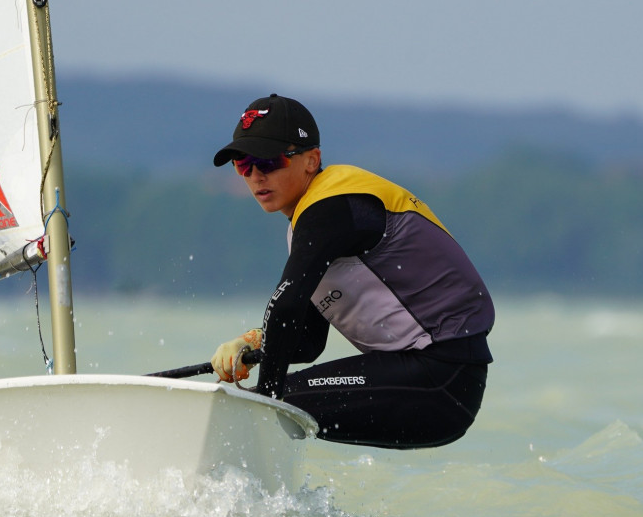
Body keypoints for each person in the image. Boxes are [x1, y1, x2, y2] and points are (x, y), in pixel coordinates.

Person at [210, 94, 495, 449]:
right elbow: (308, 342)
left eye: (268, 161)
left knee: (256, 411)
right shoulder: (313, 221)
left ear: (311, 160)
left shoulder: (331, 208)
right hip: (433, 382)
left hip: (441, 377)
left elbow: (286, 307)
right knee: (264, 410)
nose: (255, 176)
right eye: (243, 164)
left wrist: (263, 402)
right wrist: (254, 345)